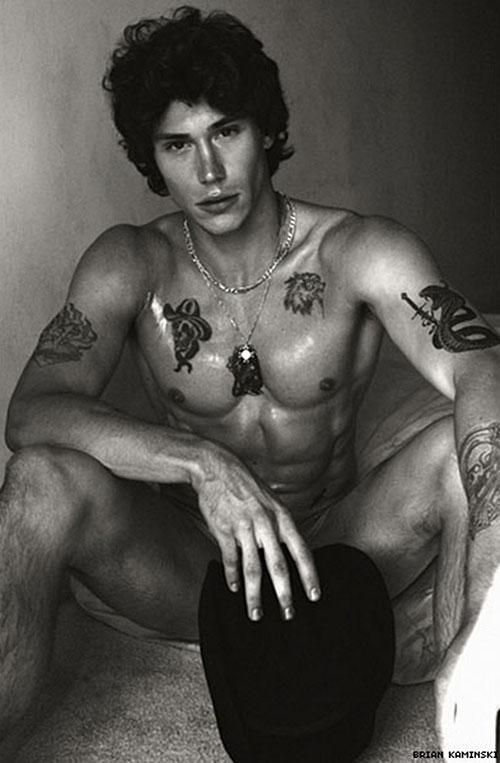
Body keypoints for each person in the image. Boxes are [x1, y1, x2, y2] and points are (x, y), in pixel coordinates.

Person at [1, 5, 499, 757]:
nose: (208, 172)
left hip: (336, 543)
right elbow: (32, 412)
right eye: (178, 144)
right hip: (197, 561)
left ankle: (469, 689)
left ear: (265, 131)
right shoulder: (130, 262)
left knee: (473, 454)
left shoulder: (357, 249)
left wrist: (489, 595)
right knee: (38, 480)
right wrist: (203, 464)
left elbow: (479, 365)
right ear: (152, 156)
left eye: (226, 132)